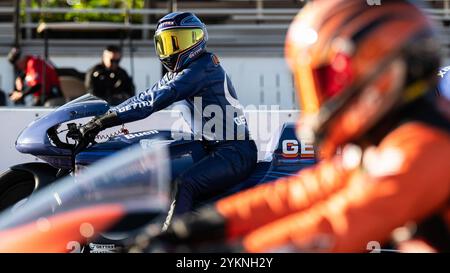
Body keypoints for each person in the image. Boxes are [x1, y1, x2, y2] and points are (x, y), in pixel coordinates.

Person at [137, 0, 450, 253]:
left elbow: (334, 228)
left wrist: (227, 251)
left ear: (382, 78)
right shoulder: (392, 141)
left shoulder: (426, 147)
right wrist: (193, 228)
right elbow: (299, 193)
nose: (321, 98)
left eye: (327, 81)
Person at [77, 12, 258, 222]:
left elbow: (155, 100)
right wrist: (104, 116)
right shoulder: (186, 70)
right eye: (168, 43)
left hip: (233, 151)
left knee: (183, 184)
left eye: (179, 41)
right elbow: (145, 96)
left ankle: (168, 242)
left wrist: (103, 122)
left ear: (197, 40)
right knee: (159, 169)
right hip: (211, 146)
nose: (174, 49)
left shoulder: (200, 69)